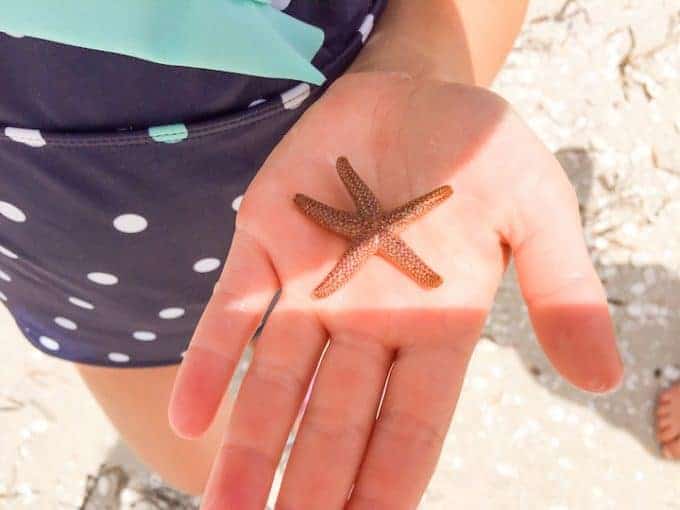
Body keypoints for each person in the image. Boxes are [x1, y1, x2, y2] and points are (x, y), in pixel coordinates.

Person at [0, 1, 626, 508]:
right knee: (190, 453)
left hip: (332, 118)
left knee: (263, 350)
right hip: (70, 240)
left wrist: (418, 61)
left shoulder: (363, 208)